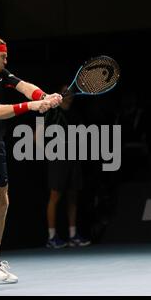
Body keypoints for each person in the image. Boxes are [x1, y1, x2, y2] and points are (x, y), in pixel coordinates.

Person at [0, 33, 62, 282]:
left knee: (3, 201)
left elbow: (24, 86)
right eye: (2, 56)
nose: (6, 60)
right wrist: (30, 107)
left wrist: (43, 97)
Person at [40, 85, 91, 249]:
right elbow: (36, 135)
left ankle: (72, 235)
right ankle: (52, 237)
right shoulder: (52, 113)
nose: (69, 95)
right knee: (55, 197)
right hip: (58, 159)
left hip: (74, 158)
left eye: (71, 93)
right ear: (60, 96)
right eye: (65, 93)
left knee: (73, 196)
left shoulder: (75, 114)